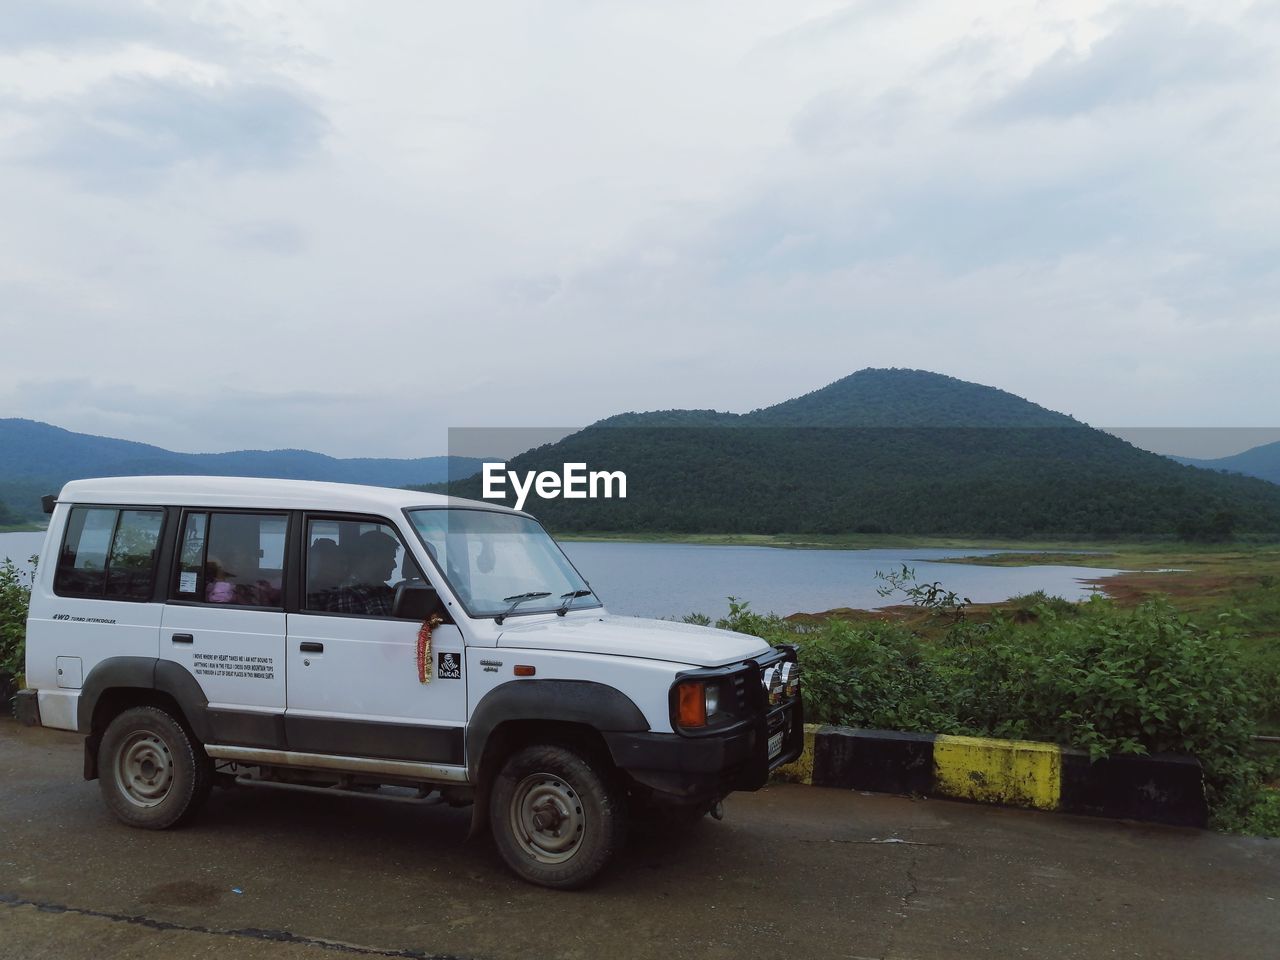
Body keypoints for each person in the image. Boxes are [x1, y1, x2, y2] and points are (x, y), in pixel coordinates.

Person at [329, 530, 400, 615]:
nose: (394, 565)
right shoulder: (348, 595)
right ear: (372, 558)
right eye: (390, 558)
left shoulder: (385, 590)